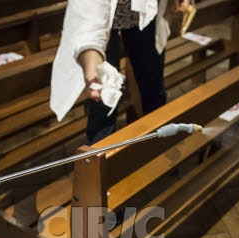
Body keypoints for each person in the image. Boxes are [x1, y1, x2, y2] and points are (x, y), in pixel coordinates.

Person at [50, 0, 192, 145]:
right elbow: (89, 10)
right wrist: (91, 55)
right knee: (103, 98)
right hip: (102, 16)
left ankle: (158, 149)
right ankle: (100, 157)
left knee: (153, 89)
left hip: (144, 15)